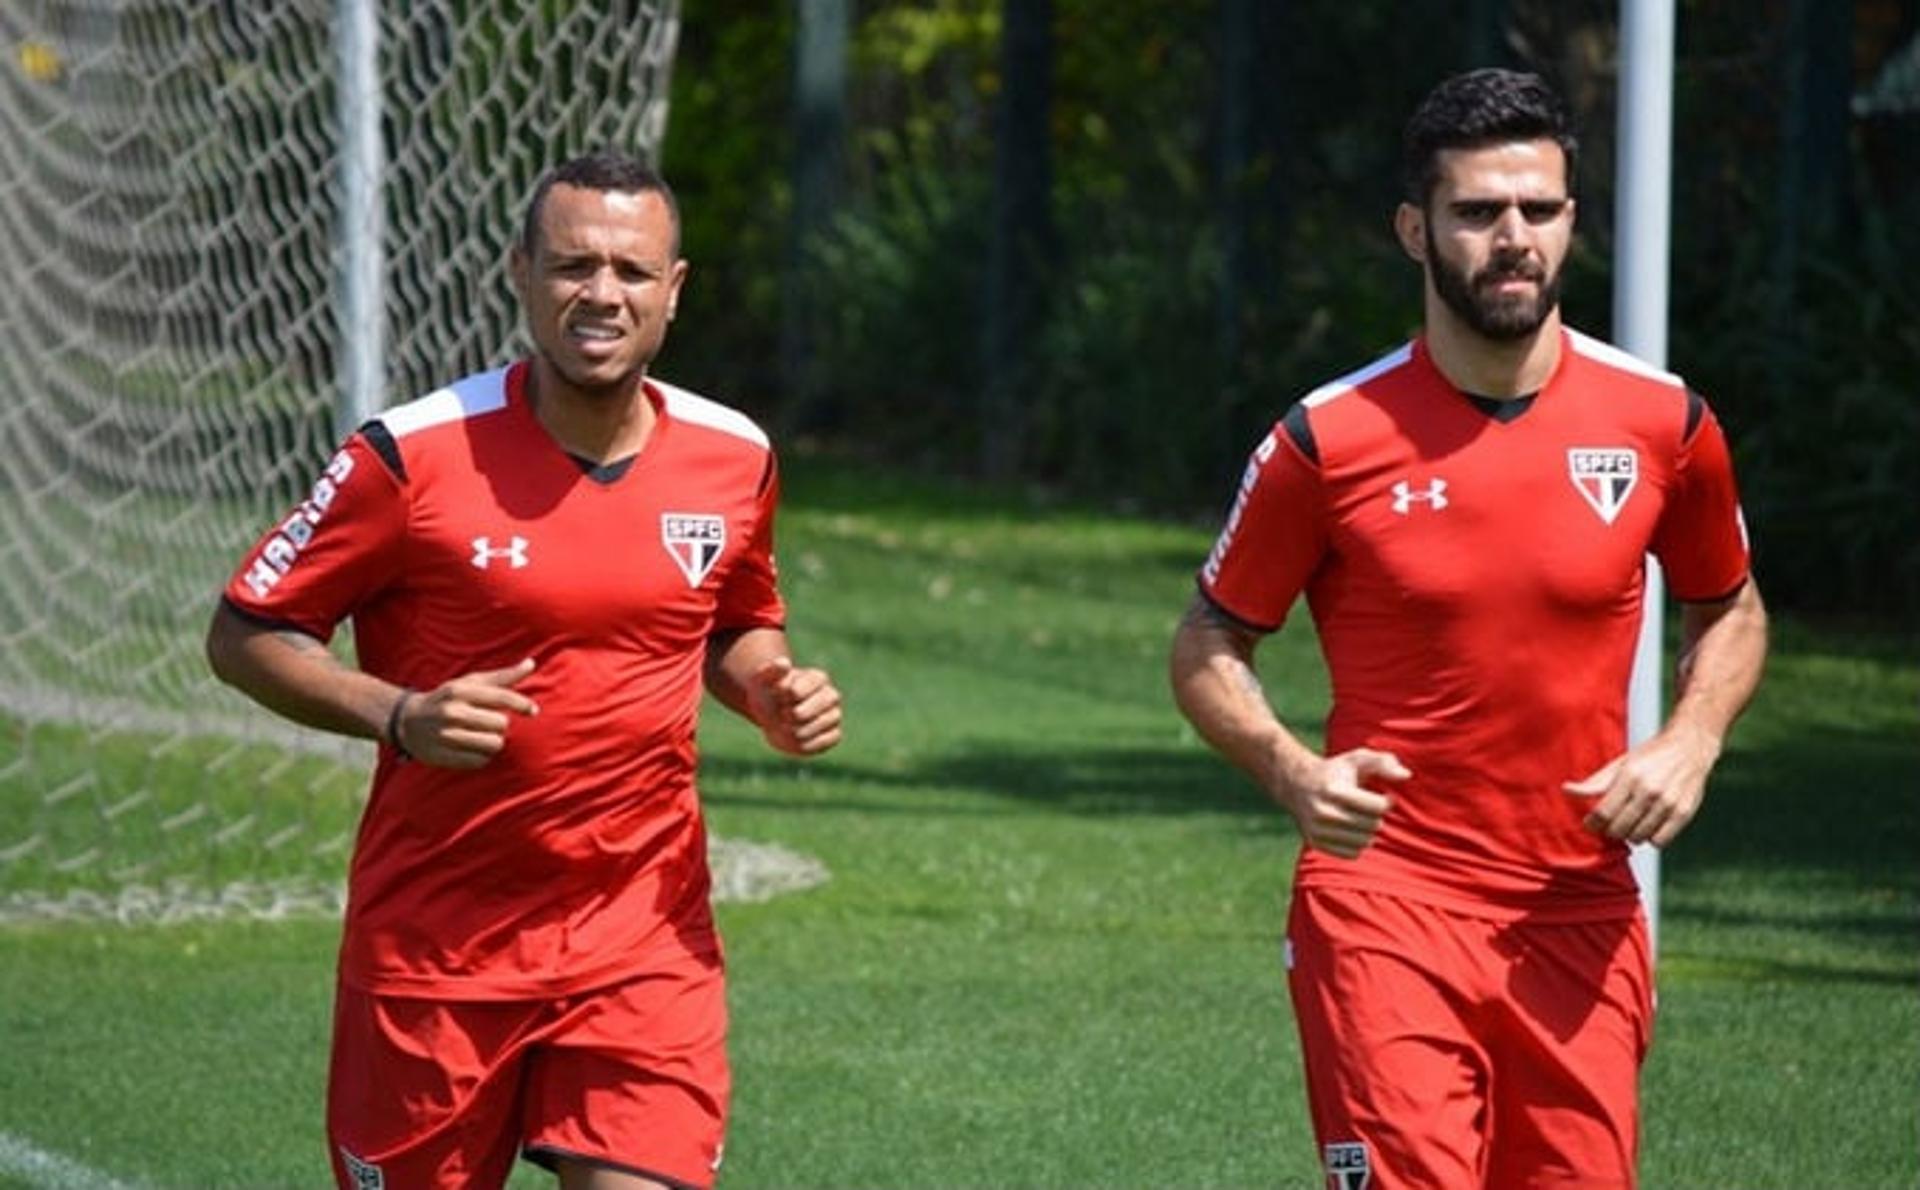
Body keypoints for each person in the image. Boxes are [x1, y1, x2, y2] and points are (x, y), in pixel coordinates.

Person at [1169, 69, 1767, 1189]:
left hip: (1582, 905)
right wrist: (1293, 770)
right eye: (1478, 212)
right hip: (1387, 898)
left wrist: (1691, 739)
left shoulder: (1665, 421)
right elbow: (1208, 638)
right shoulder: (1325, 438)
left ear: (1572, 221)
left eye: (1538, 210)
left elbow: (1727, 604)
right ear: (1414, 228)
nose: (1512, 239)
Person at [207, 152, 843, 1190]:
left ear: (674, 291)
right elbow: (246, 631)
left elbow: (736, 620)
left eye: (633, 271)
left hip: (643, 934)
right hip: (437, 953)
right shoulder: (408, 455)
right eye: (572, 265)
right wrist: (399, 711)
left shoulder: (735, 455)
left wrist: (770, 683)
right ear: (520, 274)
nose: (602, 293)